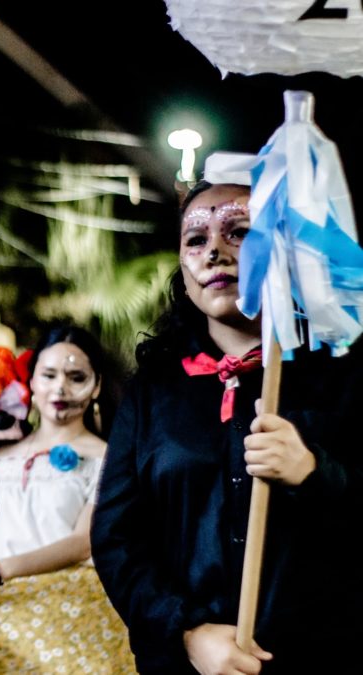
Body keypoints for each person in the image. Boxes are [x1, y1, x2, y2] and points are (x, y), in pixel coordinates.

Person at [91, 179, 363, 674]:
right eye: (196, 240)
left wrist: (314, 472)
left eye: (238, 232)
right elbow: (116, 540)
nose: (214, 251)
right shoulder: (152, 392)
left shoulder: (340, 376)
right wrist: (187, 632)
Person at [0, 331, 135, 673]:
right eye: (49, 375)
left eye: (76, 378)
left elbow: (84, 542)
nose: (60, 389)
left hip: (67, 615)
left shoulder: (109, 458)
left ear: (96, 386)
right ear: (31, 381)